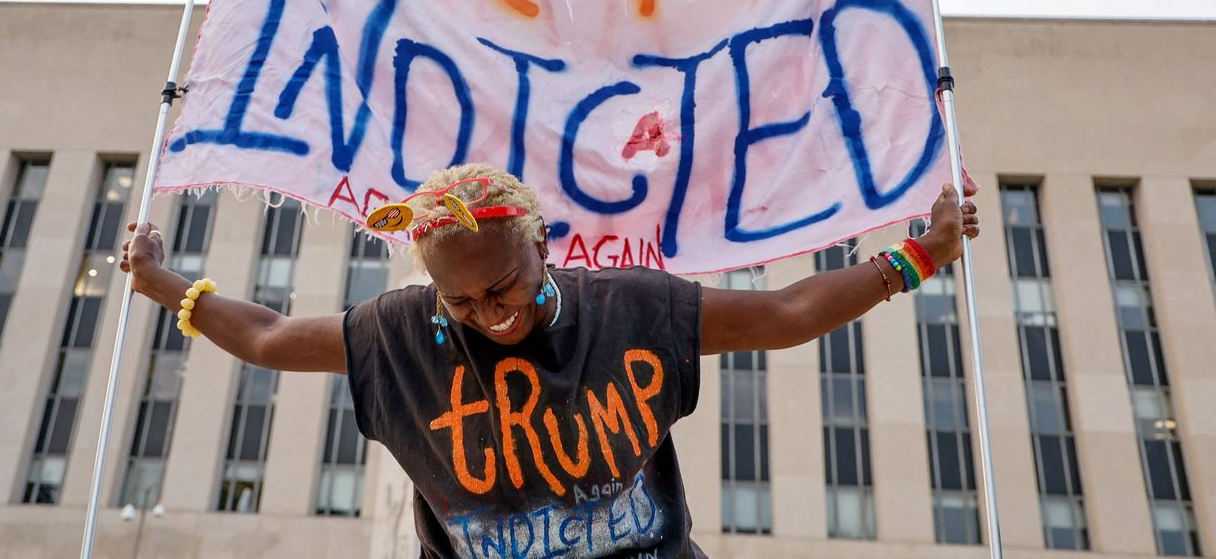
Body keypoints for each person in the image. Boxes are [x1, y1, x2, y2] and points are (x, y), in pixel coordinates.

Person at [121, 163, 979, 558]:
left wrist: (921, 254)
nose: (488, 315)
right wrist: (160, 281)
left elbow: (787, 315)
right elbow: (268, 338)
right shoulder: (399, 333)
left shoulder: (633, 309)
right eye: (460, 302)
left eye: (503, 288)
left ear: (543, 247)